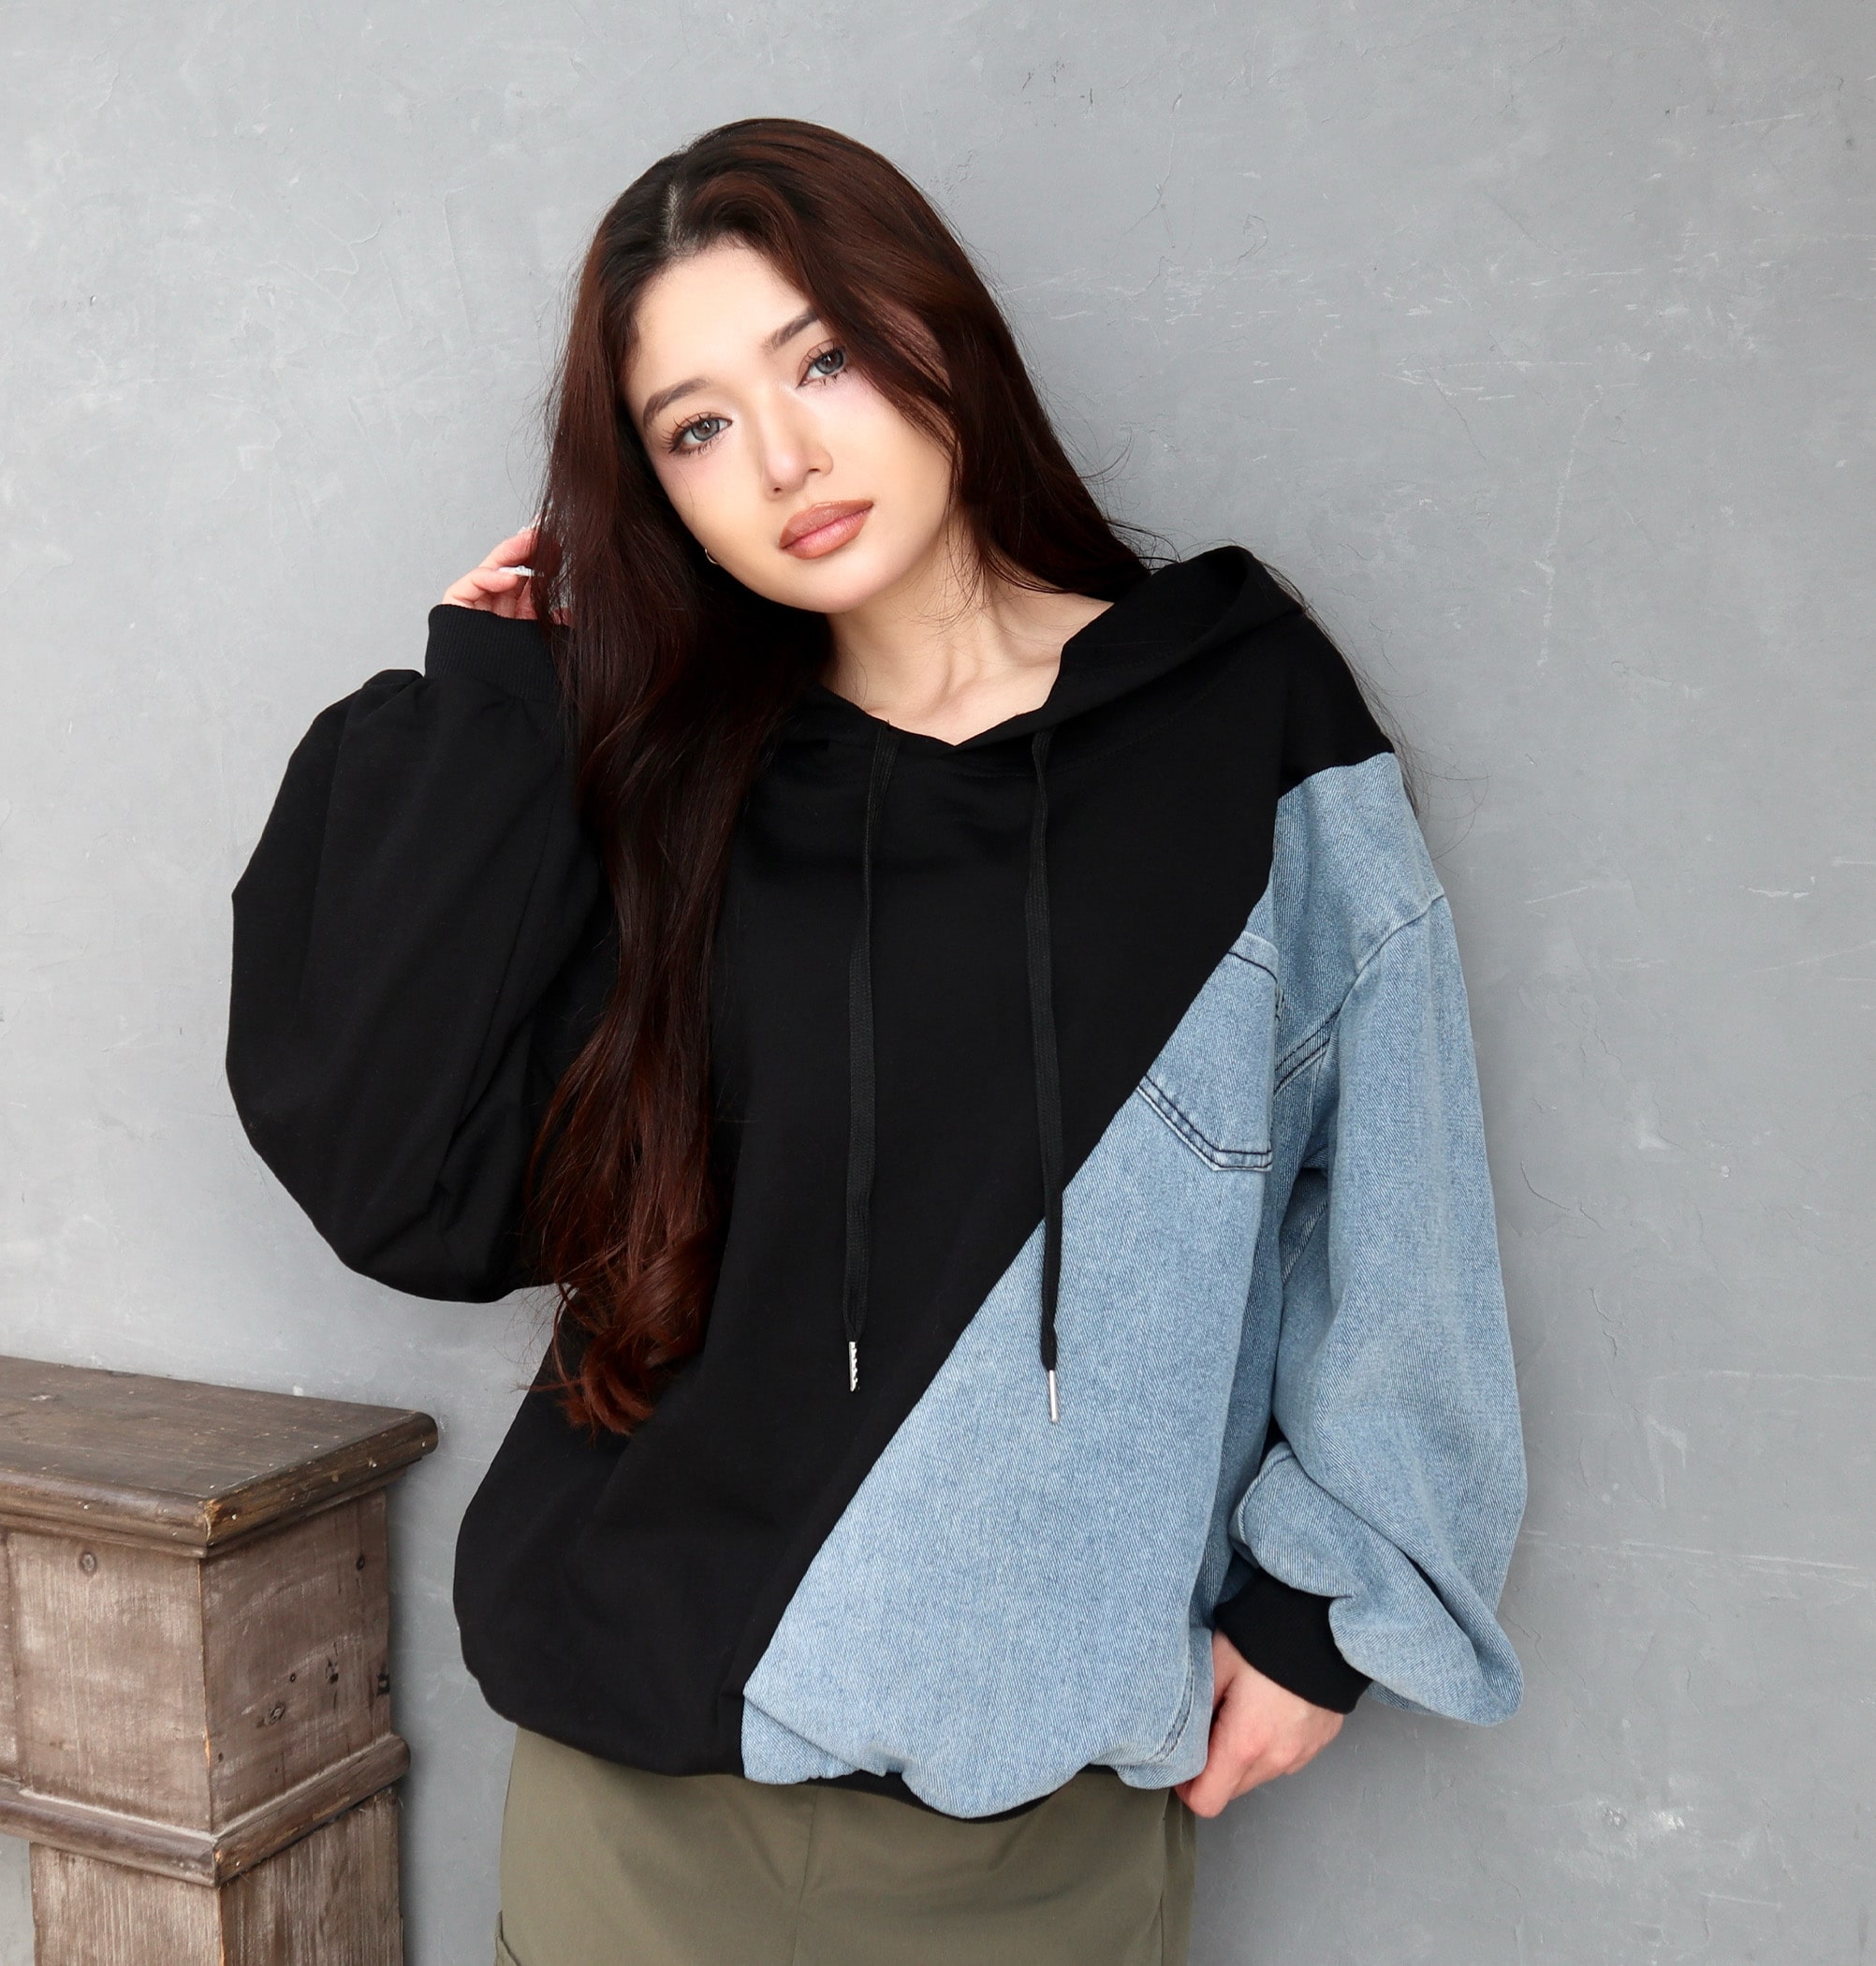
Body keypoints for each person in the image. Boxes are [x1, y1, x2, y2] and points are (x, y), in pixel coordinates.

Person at [227, 117, 1526, 1966]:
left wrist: (1331, 1610)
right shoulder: (672, 781)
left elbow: (1397, 1181)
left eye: (819, 359)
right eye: (694, 428)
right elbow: (401, 1184)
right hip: (636, 1806)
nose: (782, 460)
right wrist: (492, 720)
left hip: (1039, 1830)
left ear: (937, 330)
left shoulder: (1237, 722)